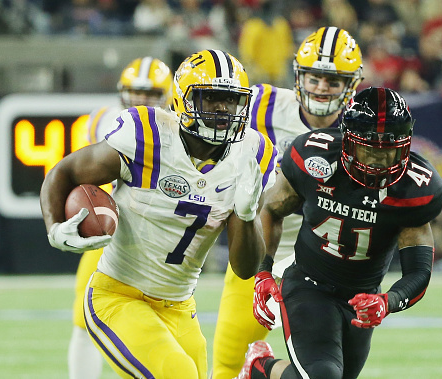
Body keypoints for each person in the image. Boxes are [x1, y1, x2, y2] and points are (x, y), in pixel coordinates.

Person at [40, 49, 278, 379]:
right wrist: (54, 227)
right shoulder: (147, 136)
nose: (223, 109)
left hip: (180, 306)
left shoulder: (252, 153)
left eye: (230, 100)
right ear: (182, 100)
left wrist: (248, 213)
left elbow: (244, 267)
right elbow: (64, 173)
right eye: (211, 99)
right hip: (118, 296)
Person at [238, 87, 442, 379]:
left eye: (390, 150)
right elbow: (271, 209)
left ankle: (259, 369)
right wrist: (264, 271)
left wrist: (386, 302)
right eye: (369, 148)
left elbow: (419, 273)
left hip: (362, 296)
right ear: (348, 140)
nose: (379, 160)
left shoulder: (415, 189)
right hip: (308, 286)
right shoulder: (313, 156)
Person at [212, 26, 364, 379]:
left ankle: (259, 370)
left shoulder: (361, 130)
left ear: (350, 85)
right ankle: (251, 368)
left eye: (333, 80)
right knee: (225, 364)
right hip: (256, 249)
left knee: (322, 372)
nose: (322, 87)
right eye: (314, 76)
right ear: (299, 76)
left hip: (321, 263)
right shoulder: (259, 104)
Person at [68, 56, 173, 379]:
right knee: (84, 320)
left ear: (169, 96)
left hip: (160, 240)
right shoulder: (102, 120)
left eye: (152, 94)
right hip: (111, 233)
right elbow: (83, 178)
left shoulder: (179, 131)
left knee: (158, 329)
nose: (141, 100)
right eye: (135, 92)